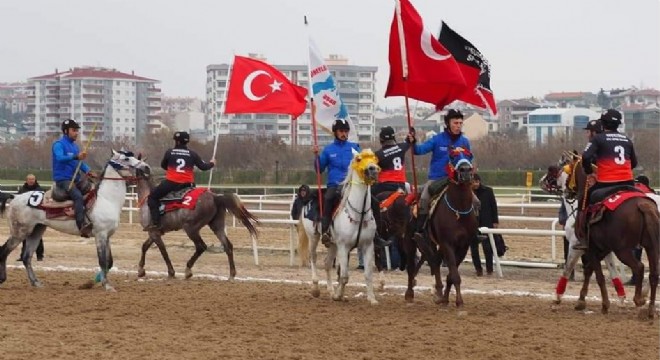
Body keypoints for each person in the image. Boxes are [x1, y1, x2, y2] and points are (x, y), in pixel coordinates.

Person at [312, 118, 388, 248]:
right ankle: (326, 232)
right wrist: (316, 156)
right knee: (328, 198)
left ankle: (376, 236)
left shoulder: (354, 148)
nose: (344, 134)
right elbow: (319, 169)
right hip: (335, 185)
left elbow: (362, 165)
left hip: (353, 185)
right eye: (341, 131)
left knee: (374, 202)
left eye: (346, 131)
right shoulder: (328, 150)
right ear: (335, 132)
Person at [407, 109, 474, 240]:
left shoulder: (465, 142)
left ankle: (475, 231)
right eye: (455, 123)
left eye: (460, 123)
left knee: (476, 202)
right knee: (424, 199)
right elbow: (419, 150)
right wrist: (413, 142)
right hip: (437, 179)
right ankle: (420, 231)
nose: (458, 126)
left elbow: (468, 160)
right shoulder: (437, 139)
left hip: (457, 181)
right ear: (448, 123)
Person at [574, 109, 637, 250]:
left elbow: (586, 157)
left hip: (606, 184)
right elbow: (634, 163)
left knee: (584, 198)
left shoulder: (598, 138)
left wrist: (590, 173)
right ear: (618, 124)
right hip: (629, 183)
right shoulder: (627, 139)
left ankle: (583, 236)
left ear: (603, 123)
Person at [145, 131, 215, 231]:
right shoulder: (192, 154)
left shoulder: (169, 152)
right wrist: (212, 163)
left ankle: (156, 223)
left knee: (152, 197)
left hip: (171, 183)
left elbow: (163, 166)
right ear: (187, 142)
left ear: (177, 142)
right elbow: (203, 167)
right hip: (188, 185)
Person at [52, 119, 94, 238]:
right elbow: (60, 158)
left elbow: (78, 163)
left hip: (75, 179)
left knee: (92, 190)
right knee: (78, 196)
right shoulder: (58, 145)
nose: (76, 133)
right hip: (63, 180)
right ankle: (81, 226)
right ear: (66, 131)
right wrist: (76, 156)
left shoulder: (74, 146)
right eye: (74, 130)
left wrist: (88, 171)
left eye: (77, 131)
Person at [469, 174, 498, 276]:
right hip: (472, 223)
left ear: (479, 181)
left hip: (486, 222)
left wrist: (495, 221)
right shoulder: (467, 192)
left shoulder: (488, 191)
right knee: (474, 248)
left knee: (487, 247)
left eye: (477, 182)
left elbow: (493, 206)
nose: (475, 184)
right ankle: (478, 269)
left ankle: (489, 269)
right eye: (473, 182)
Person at [16, 174, 45, 261]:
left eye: (32, 179)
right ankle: (23, 255)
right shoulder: (22, 190)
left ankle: (40, 255)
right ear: (26, 180)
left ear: (35, 180)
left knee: (37, 237)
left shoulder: (39, 190)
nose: (31, 181)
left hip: (36, 217)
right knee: (25, 237)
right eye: (29, 179)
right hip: (25, 217)